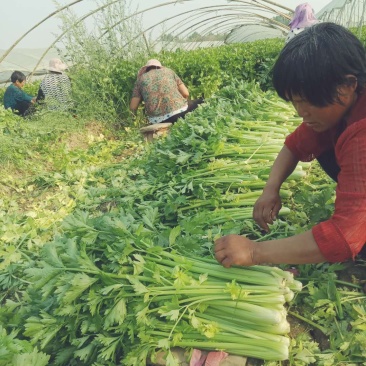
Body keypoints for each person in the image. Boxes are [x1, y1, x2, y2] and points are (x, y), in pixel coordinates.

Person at [214, 23, 366, 268]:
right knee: (323, 144)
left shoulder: (363, 133)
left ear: (347, 86)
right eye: (295, 102)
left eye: (306, 101)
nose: (301, 113)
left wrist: (254, 252)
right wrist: (270, 189)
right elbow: (295, 145)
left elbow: (344, 237)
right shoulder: (343, 107)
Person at [130, 59, 203, 124]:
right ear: (159, 67)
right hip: (180, 112)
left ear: (146, 69)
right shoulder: (169, 71)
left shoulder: (140, 80)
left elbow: (133, 107)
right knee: (202, 101)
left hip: (157, 120)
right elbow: (186, 93)